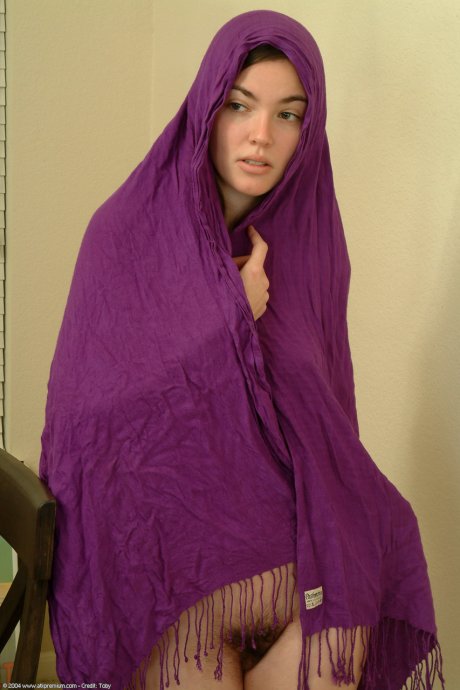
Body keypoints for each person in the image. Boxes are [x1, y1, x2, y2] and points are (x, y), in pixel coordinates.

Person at [39, 11, 444, 690]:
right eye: (239, 105)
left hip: (268, 537)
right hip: (155, 552)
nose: (261, 135)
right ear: (207, 108)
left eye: (288, 115)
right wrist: (230, 315)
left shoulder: (311, 246)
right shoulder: (123, 232)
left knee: (371, 559)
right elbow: (90, 426)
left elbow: (326, 419)